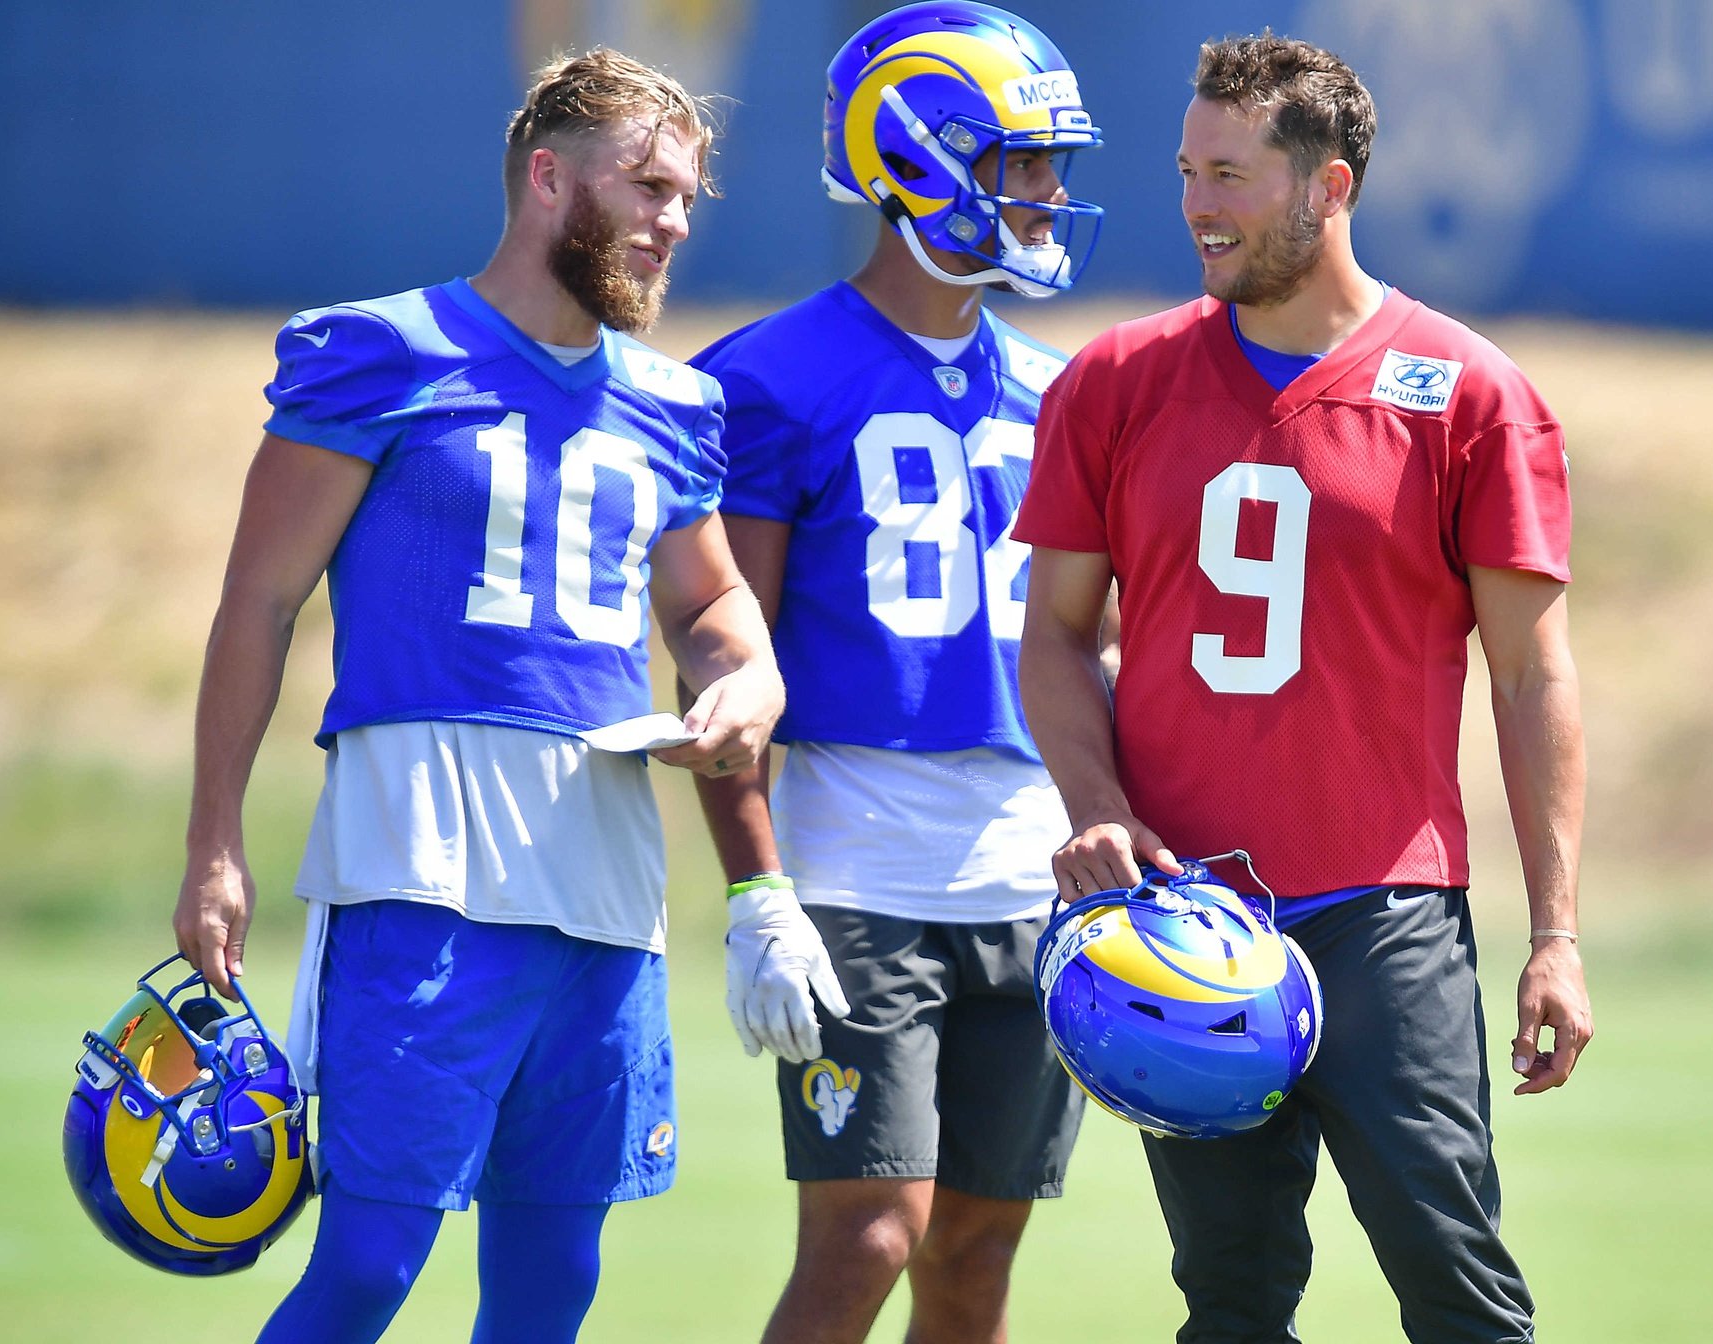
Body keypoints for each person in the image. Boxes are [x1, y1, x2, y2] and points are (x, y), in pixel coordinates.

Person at [170, 49, 822, 1344]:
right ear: (545, 178)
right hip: (421, 863)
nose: (673, 221)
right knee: (367, 1261)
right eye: (647, 185)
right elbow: (257, 601)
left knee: (551, 1286)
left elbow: (706, 604)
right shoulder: (380, 352)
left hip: (602, 878)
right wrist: (214, 841)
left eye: (688, 197)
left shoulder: (677, 405)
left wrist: (750, 675)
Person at [1015, 31, 1594, 1344]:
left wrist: (1554, 935)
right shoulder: (1114, 382)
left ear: (1328, 187)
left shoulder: (1470, 396)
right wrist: (1094, 800)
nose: (1197, 206)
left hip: (1381, 917)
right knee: (1230, 1302)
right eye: (1184, 171)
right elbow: (1053, 636)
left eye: (1228, 174)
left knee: (1459, 1287)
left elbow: (1529, 674)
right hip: (1183, 924)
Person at [683, 5, 1105, 1341]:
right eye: (1024, 161)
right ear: (921, 158)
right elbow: (716, 644)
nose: (1049, 195)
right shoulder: (761, 380)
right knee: (870, 1233)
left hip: (1031, 866)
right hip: (860, 859)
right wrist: (756, 888)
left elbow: (1095, 646)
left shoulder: (1061, 389)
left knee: (978, 1253)